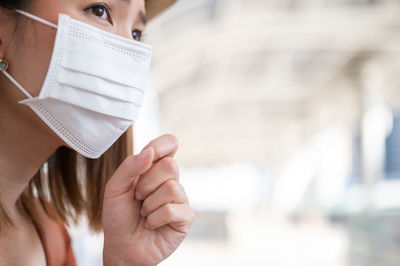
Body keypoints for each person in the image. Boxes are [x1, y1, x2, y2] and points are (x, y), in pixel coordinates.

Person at [0, 0, 195, 265]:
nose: (128, 50)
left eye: (136, 33)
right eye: (100, 10)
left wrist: (122, 261)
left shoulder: (52, 237)